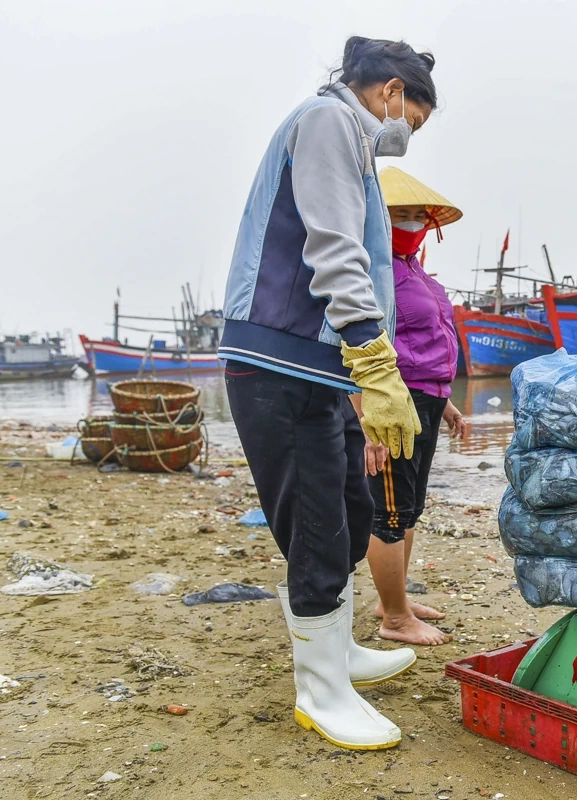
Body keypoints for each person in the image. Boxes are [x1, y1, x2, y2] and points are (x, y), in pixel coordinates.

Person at [217, 37, 439, 751]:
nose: (408, 135)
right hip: (279, 362)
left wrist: (361, 382)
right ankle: (320, 690)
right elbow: (335, 248)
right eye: (416, 119)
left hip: (320, 369)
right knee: (316, 525)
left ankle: (337, 650)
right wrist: (378, 364)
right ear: (393, 92)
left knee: (348, 508)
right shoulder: (328, 123)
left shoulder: (353, 141)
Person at [362, 167, 467, 646]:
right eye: (396, 215)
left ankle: (394, 600)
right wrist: (365, 419)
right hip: (391, 403)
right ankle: (395, 620)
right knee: (388, 511)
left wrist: (445, 404)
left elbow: (426, 342)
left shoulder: (414, 270)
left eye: (414, 215)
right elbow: (355, 348)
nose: (408, 223)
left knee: (410, 509)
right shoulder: (368, 271)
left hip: (426, 399)